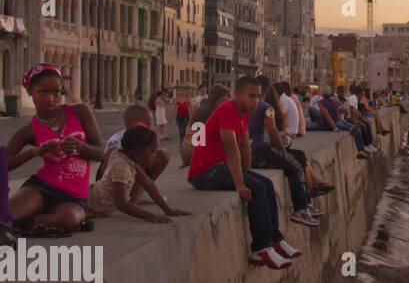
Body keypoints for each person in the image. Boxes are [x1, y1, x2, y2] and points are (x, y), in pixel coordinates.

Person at [187, 75, 301, 268]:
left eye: (258, 96)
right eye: (251, 96)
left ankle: (275, 239)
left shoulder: (244, 113)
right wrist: (241, 184)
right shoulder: (227, 110)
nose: (255, 100)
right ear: (237, 94)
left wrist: (248, 173)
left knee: (265, 183)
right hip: (205, 172)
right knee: (256, 188)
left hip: (221, 167)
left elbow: (245, 147)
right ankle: (261, 248)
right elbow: (232, 150)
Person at [6, 64, 104, 235]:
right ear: (30, 92)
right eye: (42, 92)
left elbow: (101, 153)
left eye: (56, 92)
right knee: (5, 215)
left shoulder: (80, 112)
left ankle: (23, 224)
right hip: (42, 187)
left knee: (68, 219)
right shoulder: (28, 131)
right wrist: (34, 152)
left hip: (74, 195)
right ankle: (23, 223)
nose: (50, 98)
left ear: (61, 92)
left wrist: (80, 147)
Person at [249, 76, 326, 226]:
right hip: (262, 151)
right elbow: (273, 132)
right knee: (295, 166)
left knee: (299, 156)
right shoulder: (267, 108)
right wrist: (284, 152)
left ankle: (307, 205)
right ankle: (300, 210)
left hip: (254, 152)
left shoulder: (250, 106)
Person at [87, 126, 190, 224]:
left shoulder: (129, 160)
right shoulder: (121, 166)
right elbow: (120, 203)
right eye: (152, 151)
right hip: (89, 204)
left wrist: (167, 210)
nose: (154, 156)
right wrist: (149, 216)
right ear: (138, 150)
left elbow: (149, 184)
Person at [99, 104, 169, 202]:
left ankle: (139, 192)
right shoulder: (123, 140)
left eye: (150, 125)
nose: (148, 128)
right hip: (113, 180)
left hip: (125, 174)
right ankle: (133, 197)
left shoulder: (137, 137)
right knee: (141, 158)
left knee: (162, 155)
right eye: (145, 124)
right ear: (129, 125)